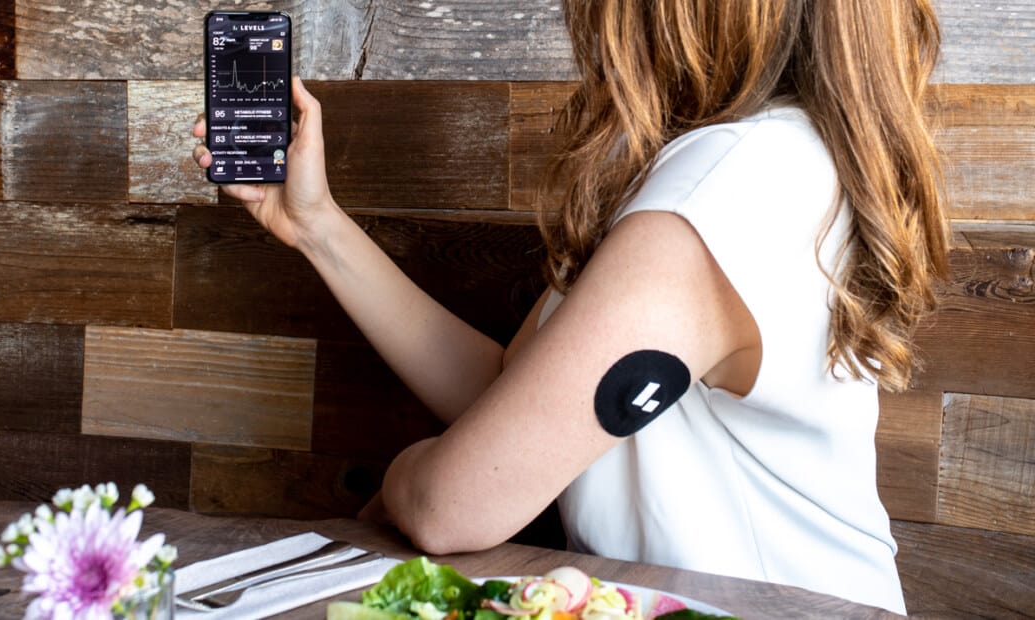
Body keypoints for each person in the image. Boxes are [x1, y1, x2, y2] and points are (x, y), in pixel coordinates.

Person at [192, 0, 947, 613]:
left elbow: (451, 506)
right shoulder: (747, 161)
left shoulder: (730, 182)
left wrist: (402, 482)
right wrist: (317, 225)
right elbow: (512, 398)